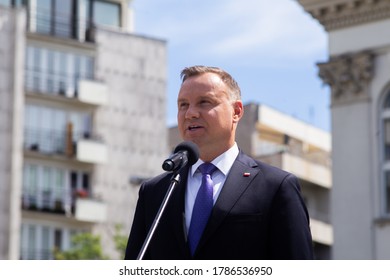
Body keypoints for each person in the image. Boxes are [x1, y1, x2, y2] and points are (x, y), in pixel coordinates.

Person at [125, 65, 314, 260]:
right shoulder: (155, 192)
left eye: (204, 102)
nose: (190, 113)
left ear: (236, 111)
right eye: (183, 105)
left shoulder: (276, 187)